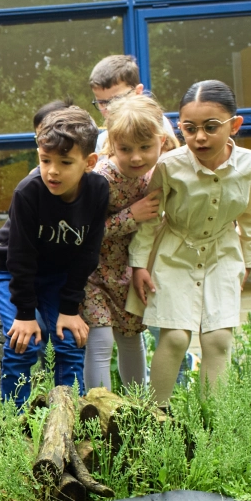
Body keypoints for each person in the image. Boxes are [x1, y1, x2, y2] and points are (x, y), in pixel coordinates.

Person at [130, 80, 251, 405]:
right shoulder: (169, 165)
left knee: (219, 339)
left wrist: (249, 262)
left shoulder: (250, 164)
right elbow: (150, 218)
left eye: (211, 127)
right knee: (176, 337)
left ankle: (209, 425)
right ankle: (156, 418)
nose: (200, 137)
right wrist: (139, 265)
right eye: (190, 128)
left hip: (224, 254)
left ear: (235, 125)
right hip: (174, 253)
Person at [0, 106, 110, 405]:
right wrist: (26, 315)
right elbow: (20, 258)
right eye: (45, 160)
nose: (52, 170)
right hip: (11, 271)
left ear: (89, 162)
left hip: (59, 275)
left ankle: (69, 417)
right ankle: (13, 423)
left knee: (69, 341)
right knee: (25, 341)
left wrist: (70, 307)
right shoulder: (28, 192)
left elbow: (88, 253)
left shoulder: (98, 190)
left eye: (65, 162)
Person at [83, 94, 174, 390]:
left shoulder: (156, 175)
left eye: (145, 148)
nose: (136, 157)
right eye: (125, 149)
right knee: (100, 340)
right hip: (93, 274)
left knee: (131, 338)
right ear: (112, 143)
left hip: (129, 273)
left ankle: (137, 408)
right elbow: (83, 232)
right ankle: (96, 409)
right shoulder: (100, 179)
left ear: (161, 140)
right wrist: (130, 216)